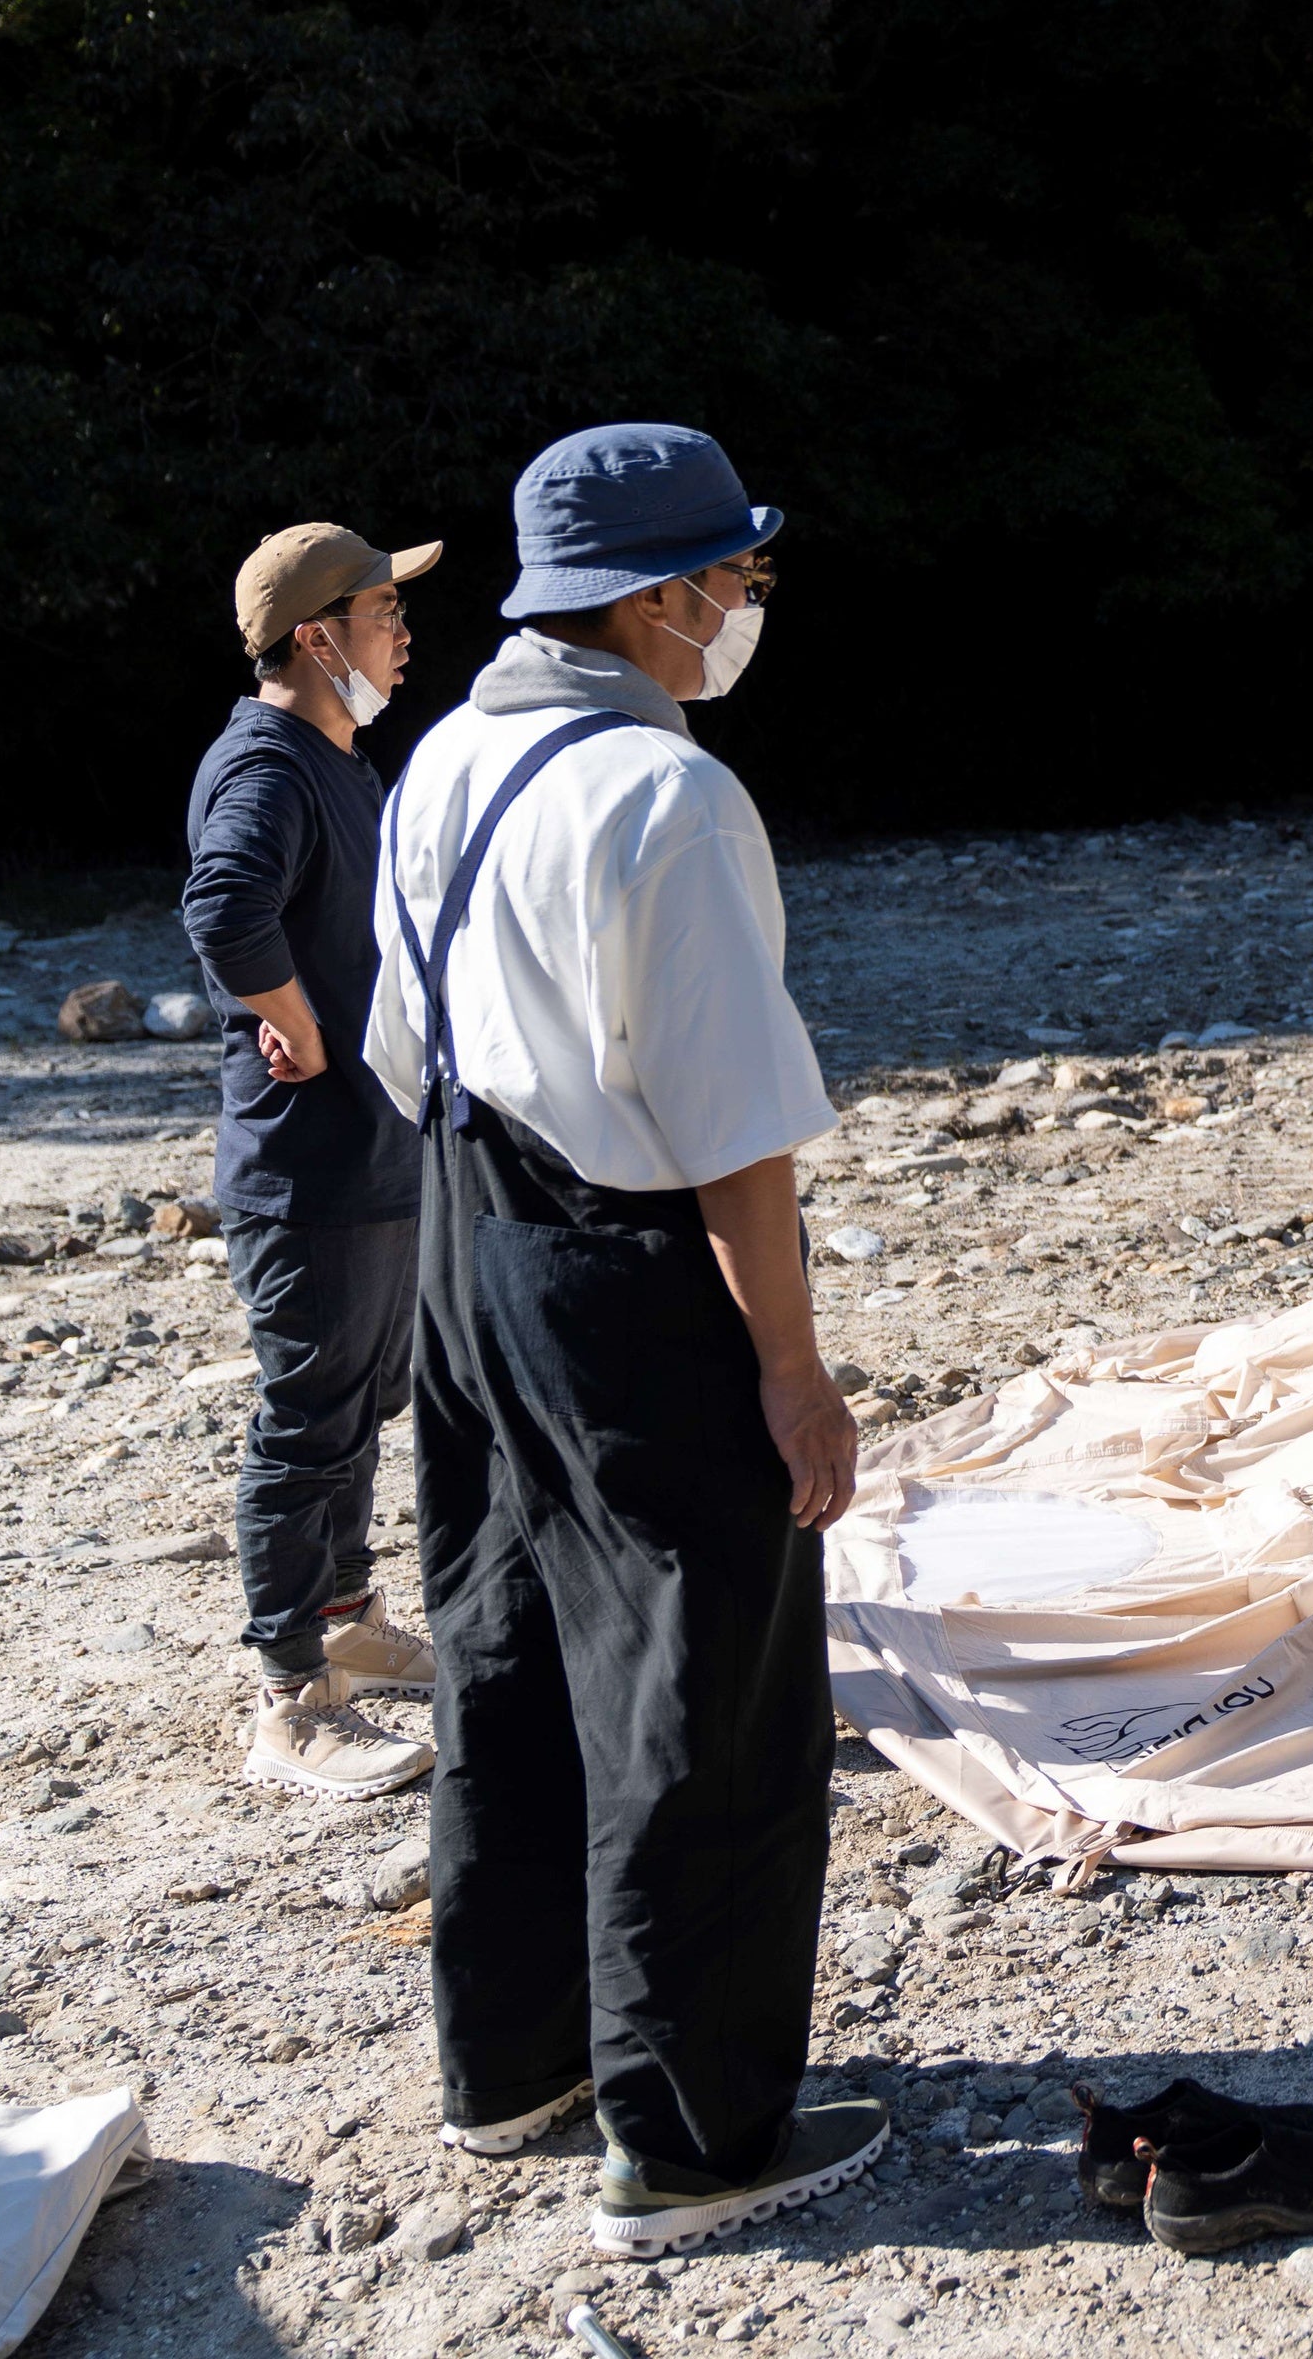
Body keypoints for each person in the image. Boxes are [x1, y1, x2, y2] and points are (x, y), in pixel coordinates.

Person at [364, 423, 883, 2252]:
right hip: (624, 1264)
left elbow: (400, 1046)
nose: (747, 600)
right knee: (705, 1680)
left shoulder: (443, 756)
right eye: (736, 573)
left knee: (504, 1647)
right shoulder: (670, 798)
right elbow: (733, 1126)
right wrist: (794, 1373)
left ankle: (511, 2064)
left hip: (465, 1241)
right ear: (658, 598)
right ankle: (692, 2140)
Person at [182, 524, 444, 1801]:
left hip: (370, 1152)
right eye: (383, 609)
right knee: (307, 1417)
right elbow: (224, 907)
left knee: (360, 1399)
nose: (403, 631)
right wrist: (294, 1020)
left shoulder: (339, 756)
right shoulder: (268, 763)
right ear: (314, 634)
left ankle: (345, 1619)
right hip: (306, 1165)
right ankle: (290, 1694)